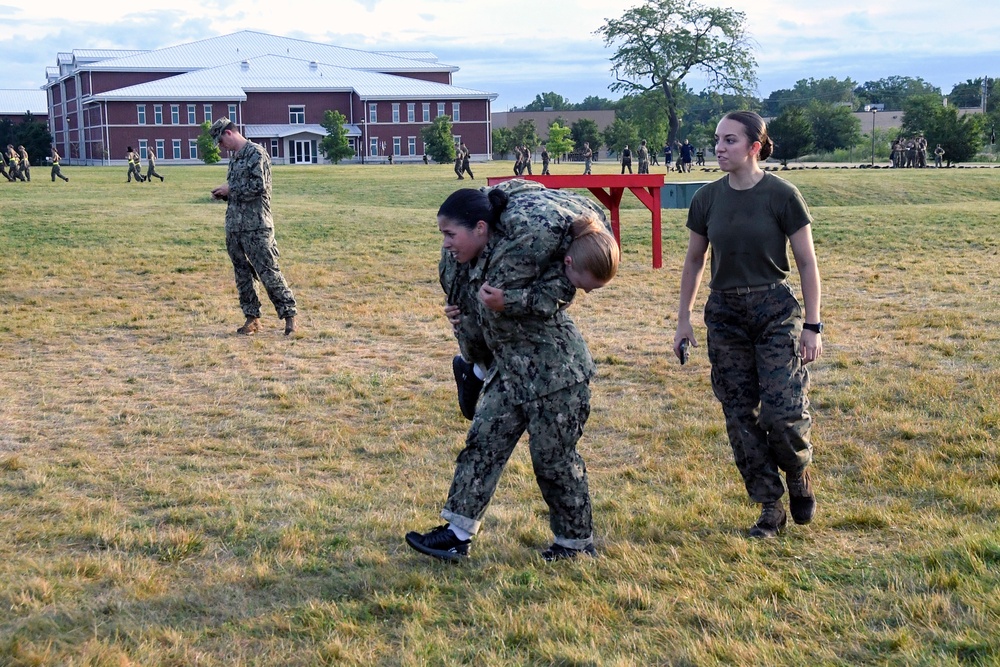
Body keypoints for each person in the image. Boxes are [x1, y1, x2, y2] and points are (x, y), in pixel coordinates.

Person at [409, 180, 620, 562]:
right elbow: (470, 318)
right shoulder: (457, 263)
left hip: (555, 371)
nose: (445, 243)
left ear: (480, 228)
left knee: (553, 459)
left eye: (450, 234)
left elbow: (579, 262)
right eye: (442, 234)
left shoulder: (531, 239)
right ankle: (457, 533)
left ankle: (575, 545)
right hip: (506, 368)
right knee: (482, 445)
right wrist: (469, 348)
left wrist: (515, 300)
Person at [672, 111, 822, 540]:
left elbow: (808, 263)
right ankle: (770, 508)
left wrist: (813, 325)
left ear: (754, 147)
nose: (719, 147)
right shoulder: (706, 198)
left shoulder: (782, 195)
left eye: (730, 140)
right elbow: (695, 261)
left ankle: (796, 473)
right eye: (717, 139)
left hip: (775, 310)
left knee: (783, 412)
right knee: (741, 416)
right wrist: (683, 319)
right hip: (725, 315)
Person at [209, 118, 298, 336]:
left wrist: (230, 189)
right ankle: (251, 318)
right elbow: (239, 190)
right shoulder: (235, 158)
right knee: (242, 275)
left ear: (229, 133)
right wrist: (223, 194)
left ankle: (289, 317)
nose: (221, 147)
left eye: (221, 141)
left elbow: (260, 187)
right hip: (235, 227)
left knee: (268, 272)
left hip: (257, 226)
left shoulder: (256, 154)